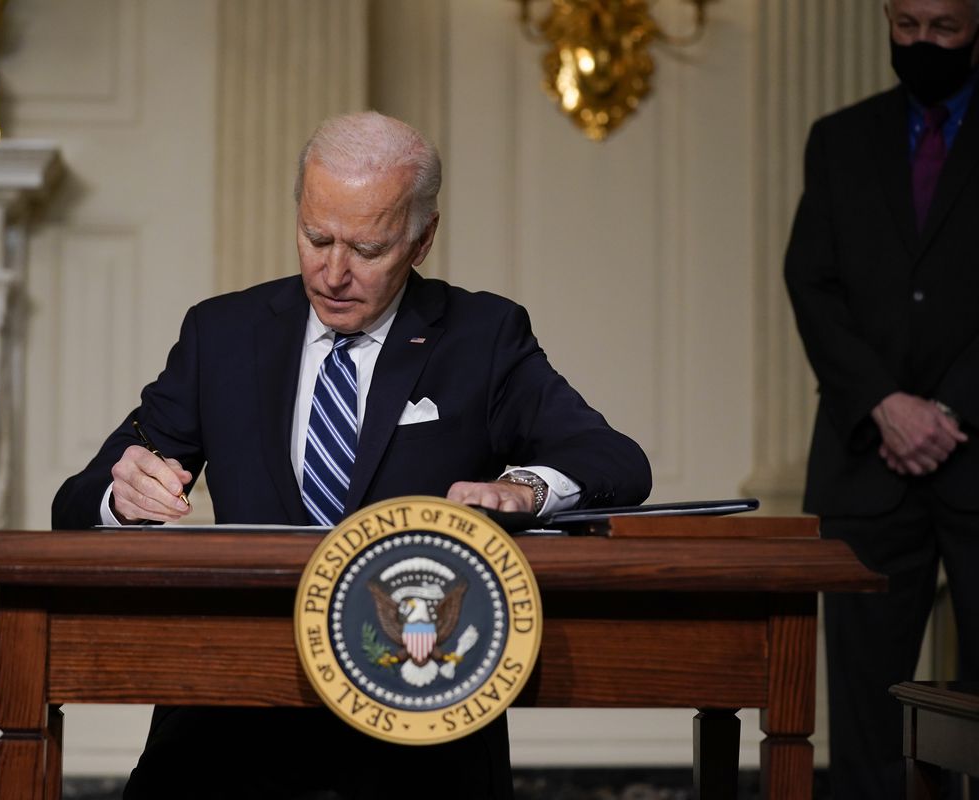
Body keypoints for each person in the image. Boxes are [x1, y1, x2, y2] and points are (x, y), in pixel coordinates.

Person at [54, 111, 651, 799]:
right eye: (316, 239)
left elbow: (616, 459)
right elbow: (76, 501)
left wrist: (524, 488)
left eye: (366, 250)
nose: (333, 272)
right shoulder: (223, 335)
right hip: (229, 724)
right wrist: (119, 495)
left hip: (419, 725)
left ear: (422, 240)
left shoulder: (481, 339)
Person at [784, 1, 979, 796]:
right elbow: (812, 283)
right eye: (906, 26)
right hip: (867, 461)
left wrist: (948, 409)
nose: (923, 42)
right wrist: (885, 405)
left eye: (944, 28)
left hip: (976, 457)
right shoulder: (840, 138)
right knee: (865, 717)